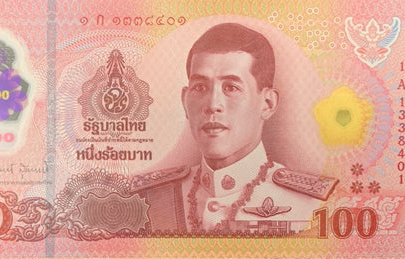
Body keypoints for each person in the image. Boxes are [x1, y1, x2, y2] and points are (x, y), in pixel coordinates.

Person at [135, 22, 337, 234]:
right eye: (200, 87)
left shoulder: (312, 205)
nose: (213, 104)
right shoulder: (147, 200)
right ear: (185, 101)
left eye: (231, 88)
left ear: (267, 103)